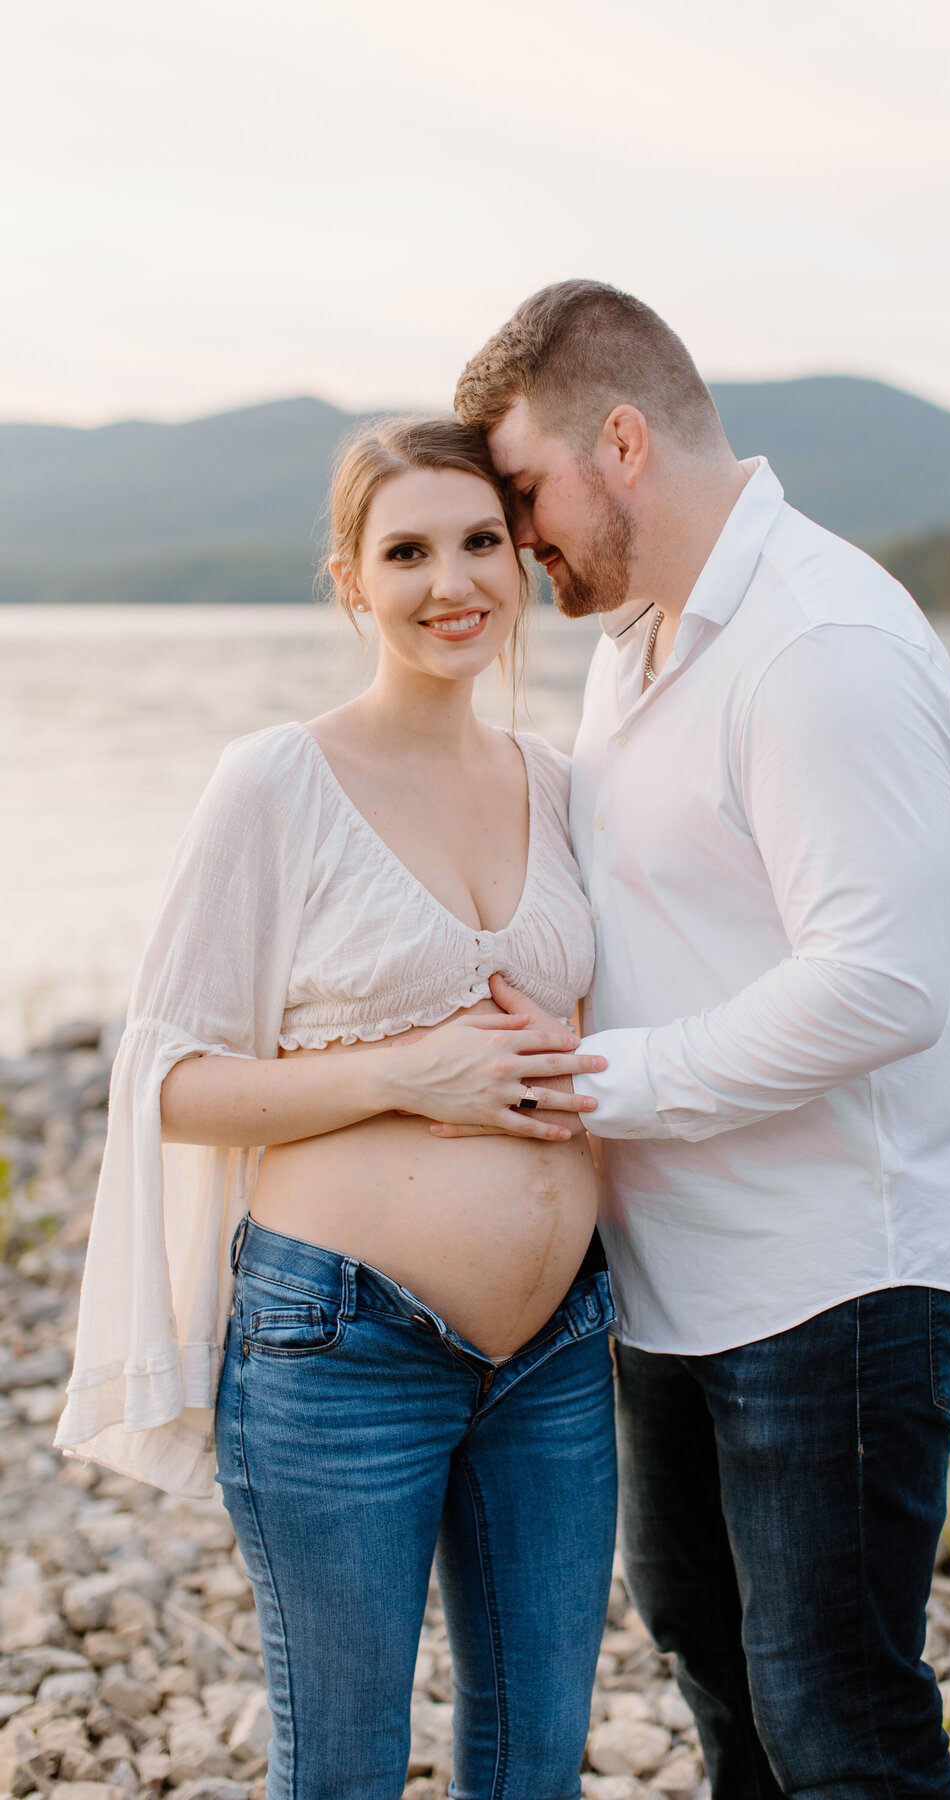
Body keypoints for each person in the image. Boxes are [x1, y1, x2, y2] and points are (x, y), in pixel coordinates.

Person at [452, 281, 950, 1800]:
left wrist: (603, 1083)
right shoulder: (632, 640)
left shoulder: (818, 641)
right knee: (709, 1661)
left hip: (833, 1273)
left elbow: (881, 981)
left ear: (620, 439)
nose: (517, 536)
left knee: (837, 1716)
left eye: (524, 492)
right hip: (675, 1276)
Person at [56, 417, 619, 1800]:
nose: (452, 583)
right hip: (343, 1351)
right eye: (408, 551)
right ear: (350, 581)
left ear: (521, 559)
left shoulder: (560, 783)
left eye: (481, 541)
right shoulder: (275, 782)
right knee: (346, 1768)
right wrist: (400, 1075)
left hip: (555, 1352)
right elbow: (167, 1080)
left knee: (535, 1760)